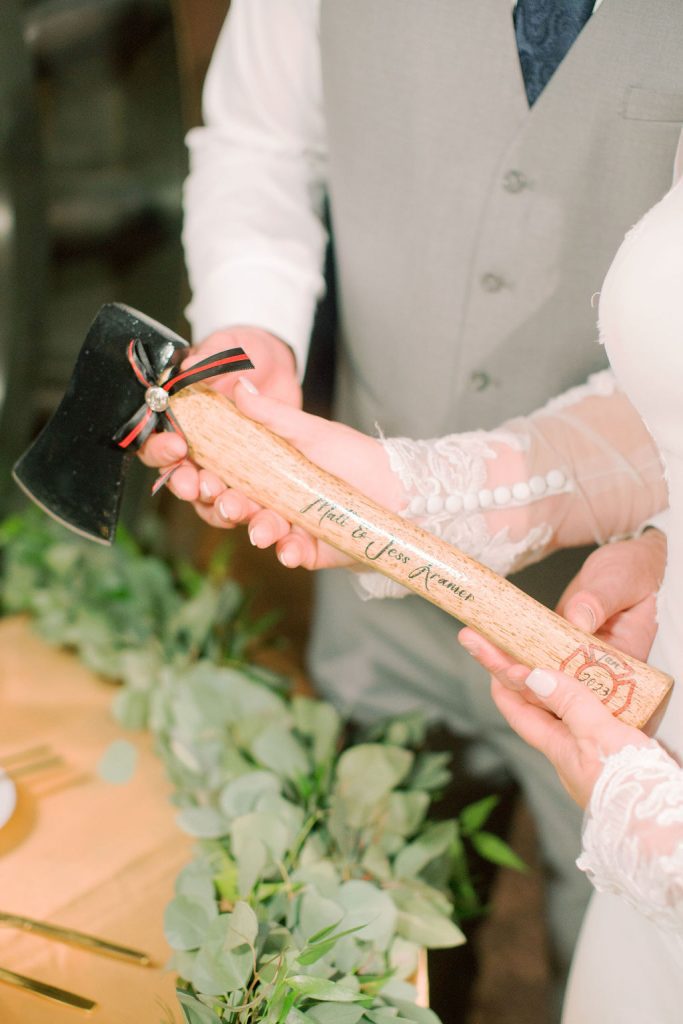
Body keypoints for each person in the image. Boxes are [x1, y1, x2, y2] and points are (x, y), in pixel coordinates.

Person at [142, 0, 680, 1011]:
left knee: (603, 942)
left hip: (626, 634)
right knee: (374, 942)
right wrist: (247, 330)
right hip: (368, 582)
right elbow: (256, 142)